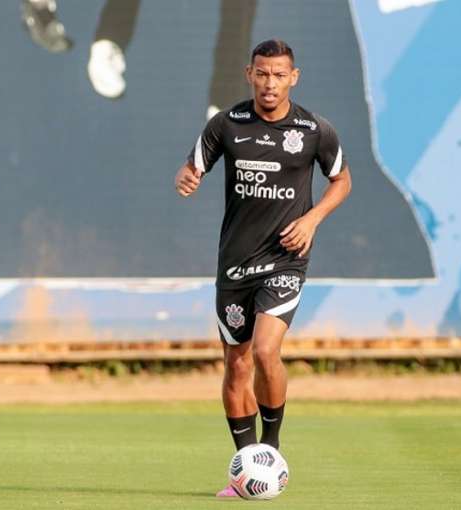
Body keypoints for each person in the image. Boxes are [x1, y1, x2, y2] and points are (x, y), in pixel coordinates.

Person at [174, 39, 351, 498]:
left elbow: (342, 179)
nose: (269, 83)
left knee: (266, 352)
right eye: (262, 73)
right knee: (236, 363)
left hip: (286, 260)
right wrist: (187, 177)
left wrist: (312, 219)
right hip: (235, 265)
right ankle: (245, 466)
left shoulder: (313, 130)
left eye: (279, 75)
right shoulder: (226, 125)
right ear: (248, 74)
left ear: (294, 77)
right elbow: (192, 167)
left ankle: (270, 453)